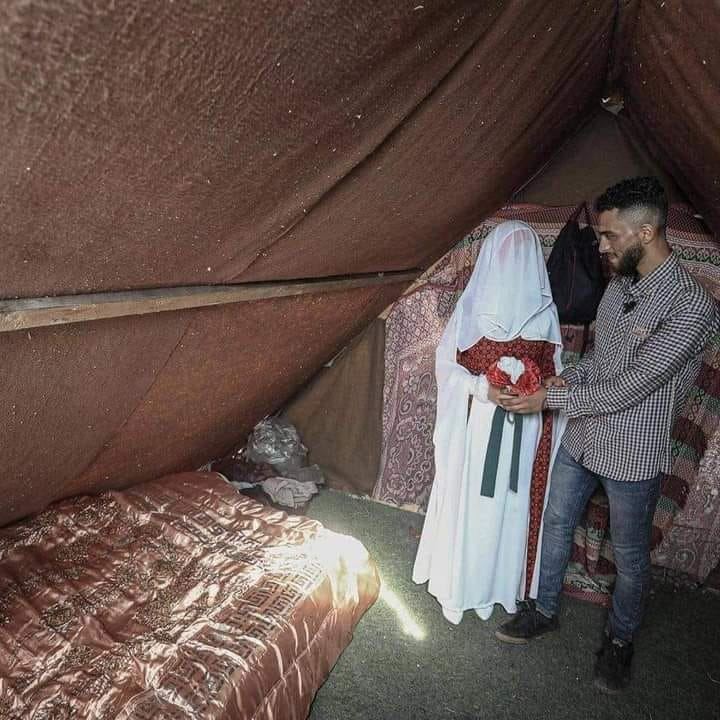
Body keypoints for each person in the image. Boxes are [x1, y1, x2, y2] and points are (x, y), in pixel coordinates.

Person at [494, 177, 719, 693]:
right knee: (556, 523)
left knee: (631, 557)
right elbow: (601, 361)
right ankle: (543, 611)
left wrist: (549, 400)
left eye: (610, 235)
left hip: (633, 453)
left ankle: (619, 642)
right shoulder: (619, 286)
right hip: (583, 437)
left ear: (648, 231)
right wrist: (563, 381)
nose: (600, 246)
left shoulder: (691, 306)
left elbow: (634, 384)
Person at [412, 221, 566, 624]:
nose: (516, 263)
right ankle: (463, 588)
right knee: (475, 508)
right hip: (477, 431)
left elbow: (556, 372)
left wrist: (541, 386)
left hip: (527, 431)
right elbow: (447, 368)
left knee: (513, 509)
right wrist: (484, 389)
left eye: (525, 256)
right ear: (492, 257)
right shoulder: (471, 310)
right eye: (508, 254)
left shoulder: (545, 315)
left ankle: (501, 588)